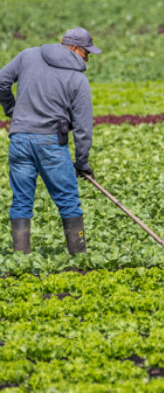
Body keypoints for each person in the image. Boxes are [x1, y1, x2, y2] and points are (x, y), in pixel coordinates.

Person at [0, 27, 98, 254]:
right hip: (50, 144)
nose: (88, 58)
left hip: (19, 141)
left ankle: (21, 259)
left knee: (21, 200)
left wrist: (11, 109)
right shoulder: (78, 79)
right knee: (68, 200)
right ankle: (80, 258)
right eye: (86, 52)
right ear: (74, 48)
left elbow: (1, 82)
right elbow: (83, 129)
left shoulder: (28, 55)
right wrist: (82, 163)